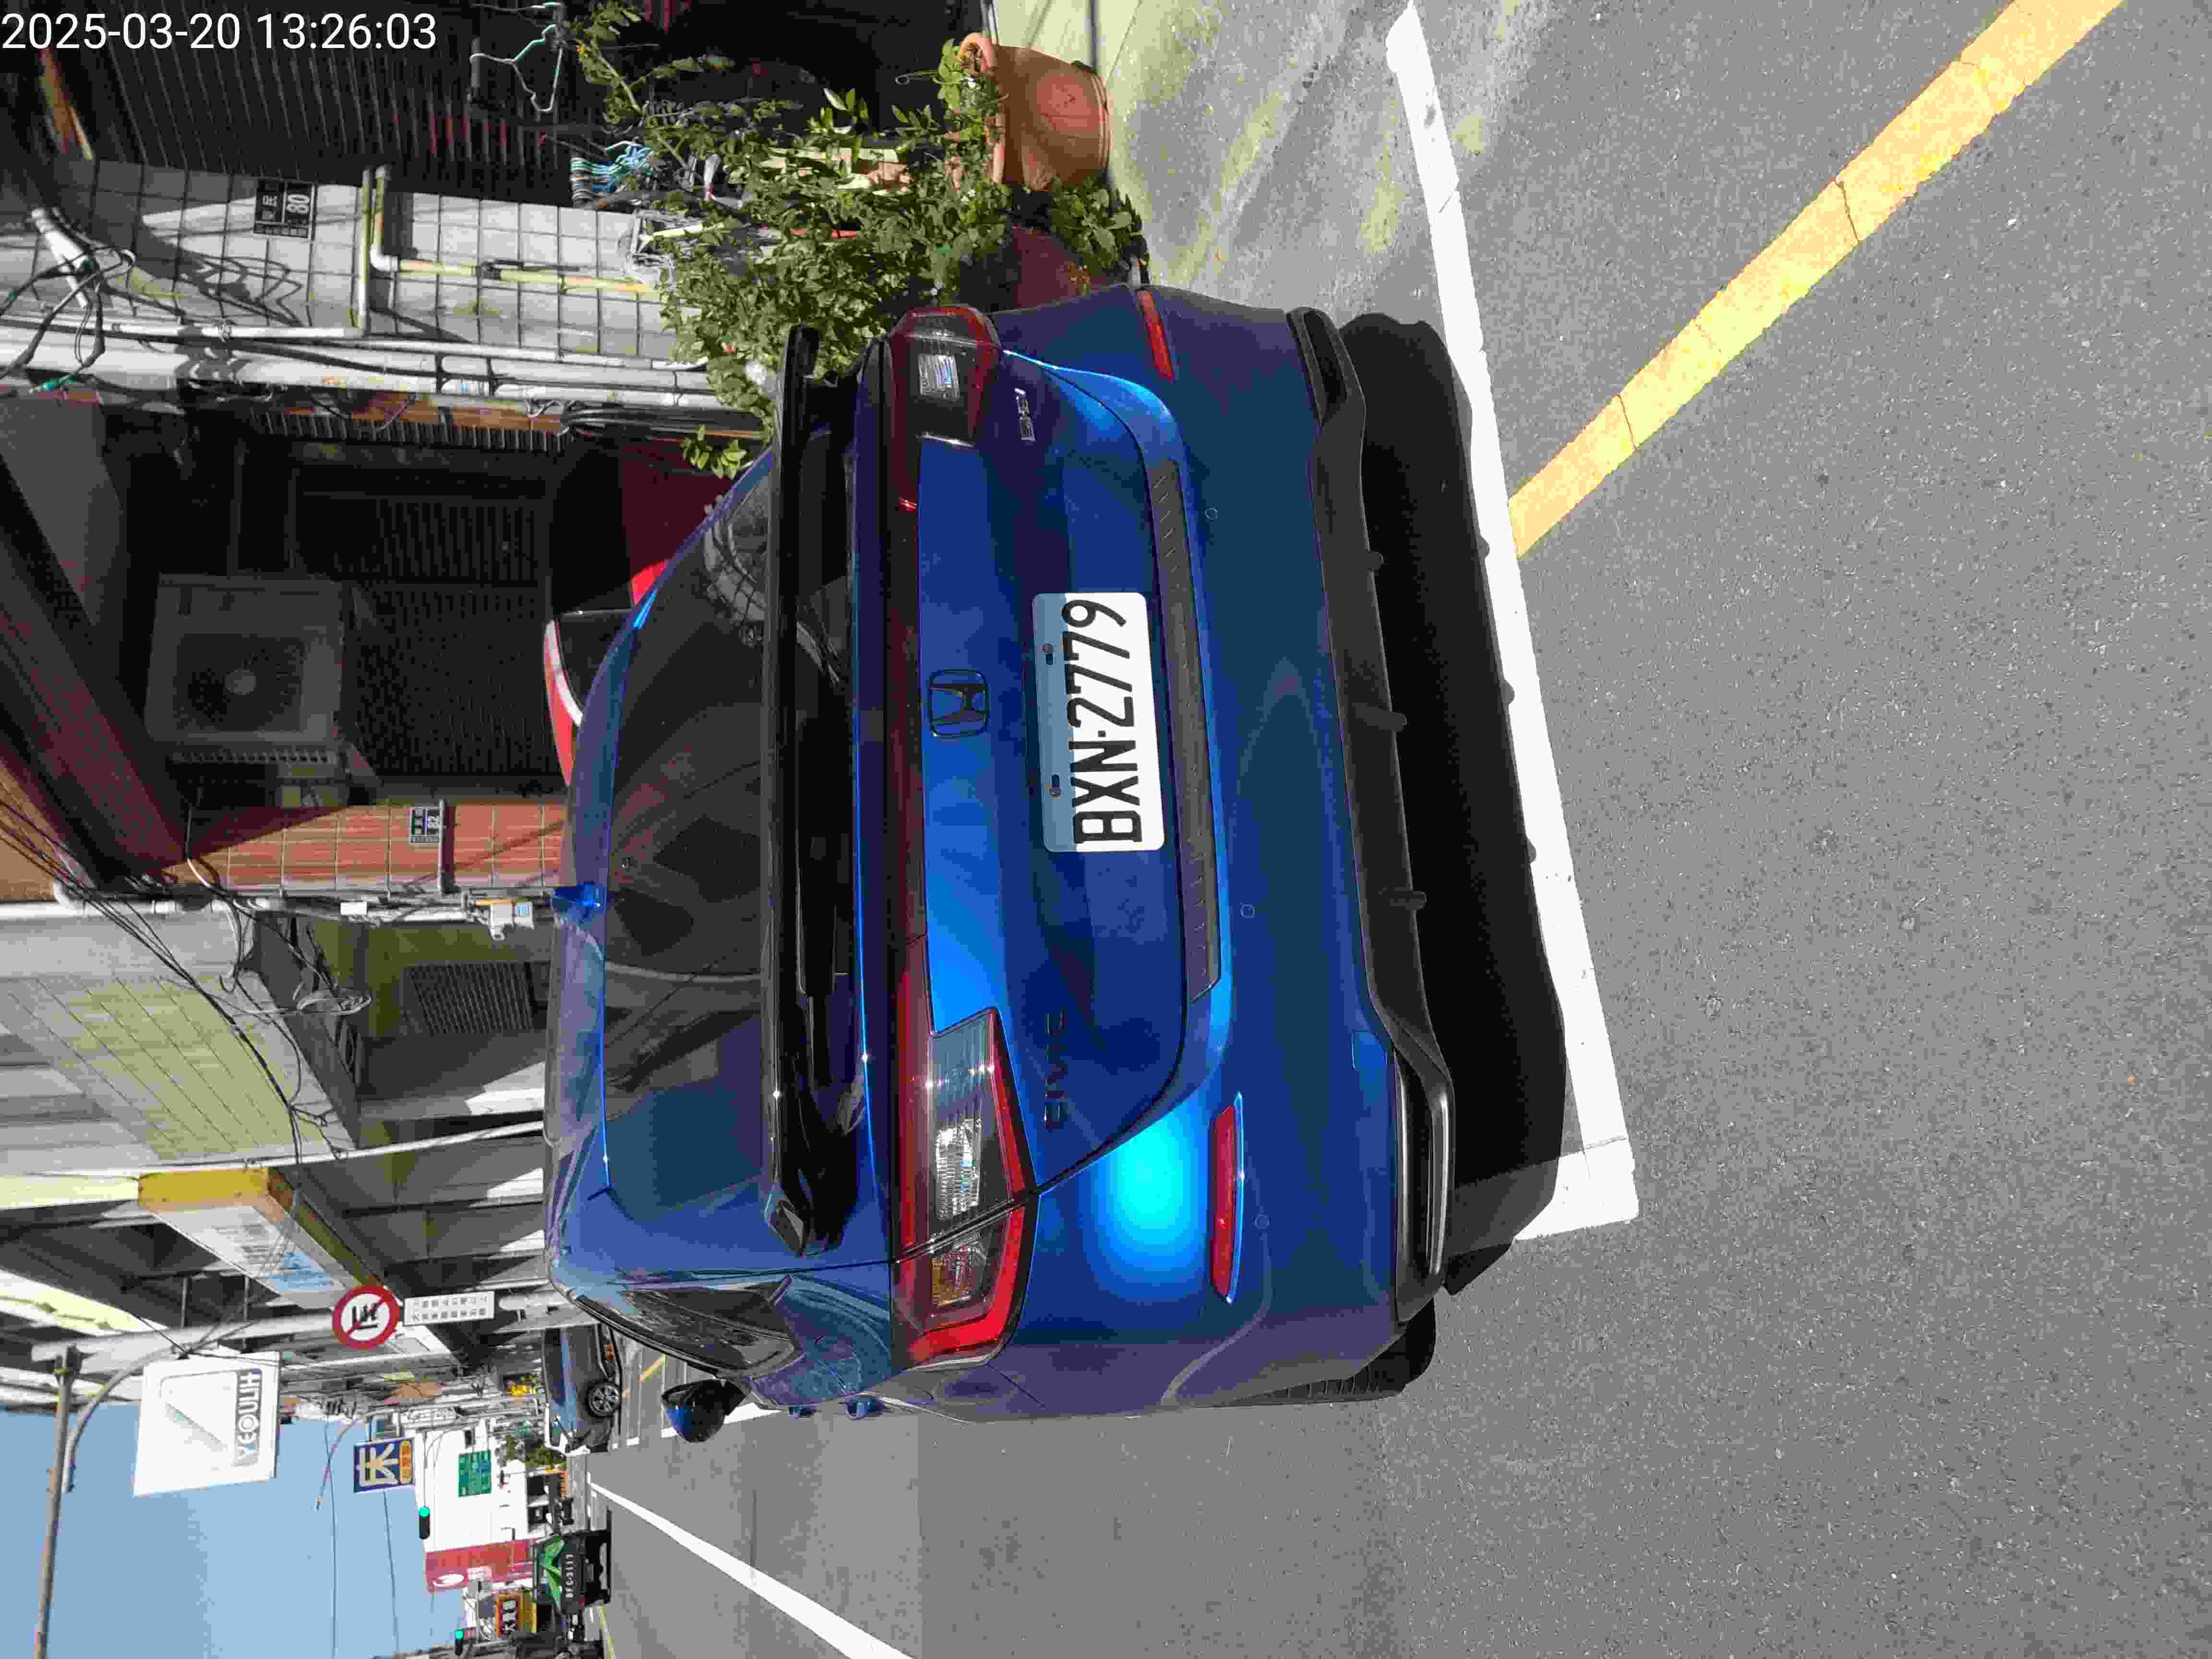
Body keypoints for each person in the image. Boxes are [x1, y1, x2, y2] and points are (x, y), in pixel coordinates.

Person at [661, 1377, 750, 1443]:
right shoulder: (710, 1401)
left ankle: (742, 1383)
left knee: (739, 1385)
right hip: (702, 1416)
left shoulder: (717, 1406)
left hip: (703, 1416)